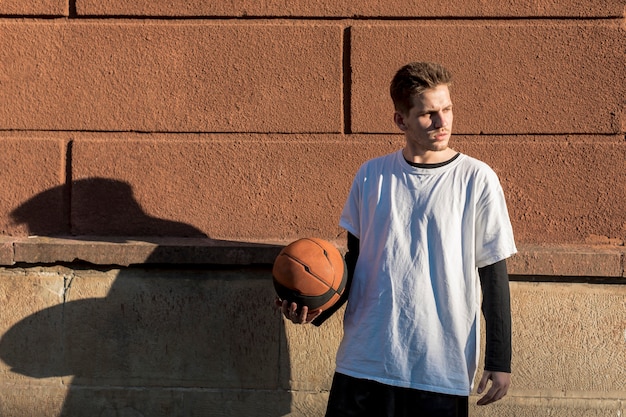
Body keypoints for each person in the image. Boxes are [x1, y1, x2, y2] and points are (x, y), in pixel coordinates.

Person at [278, 62, 517, 416]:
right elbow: (357, 264)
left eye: (447, 109)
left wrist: (500, 358)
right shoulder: (371, 175)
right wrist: (315, 309)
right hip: (365, 360)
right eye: (428, 114)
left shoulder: (476, 179)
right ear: (401, 121)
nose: (442, 122)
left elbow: (493, 274)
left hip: (438, 366)